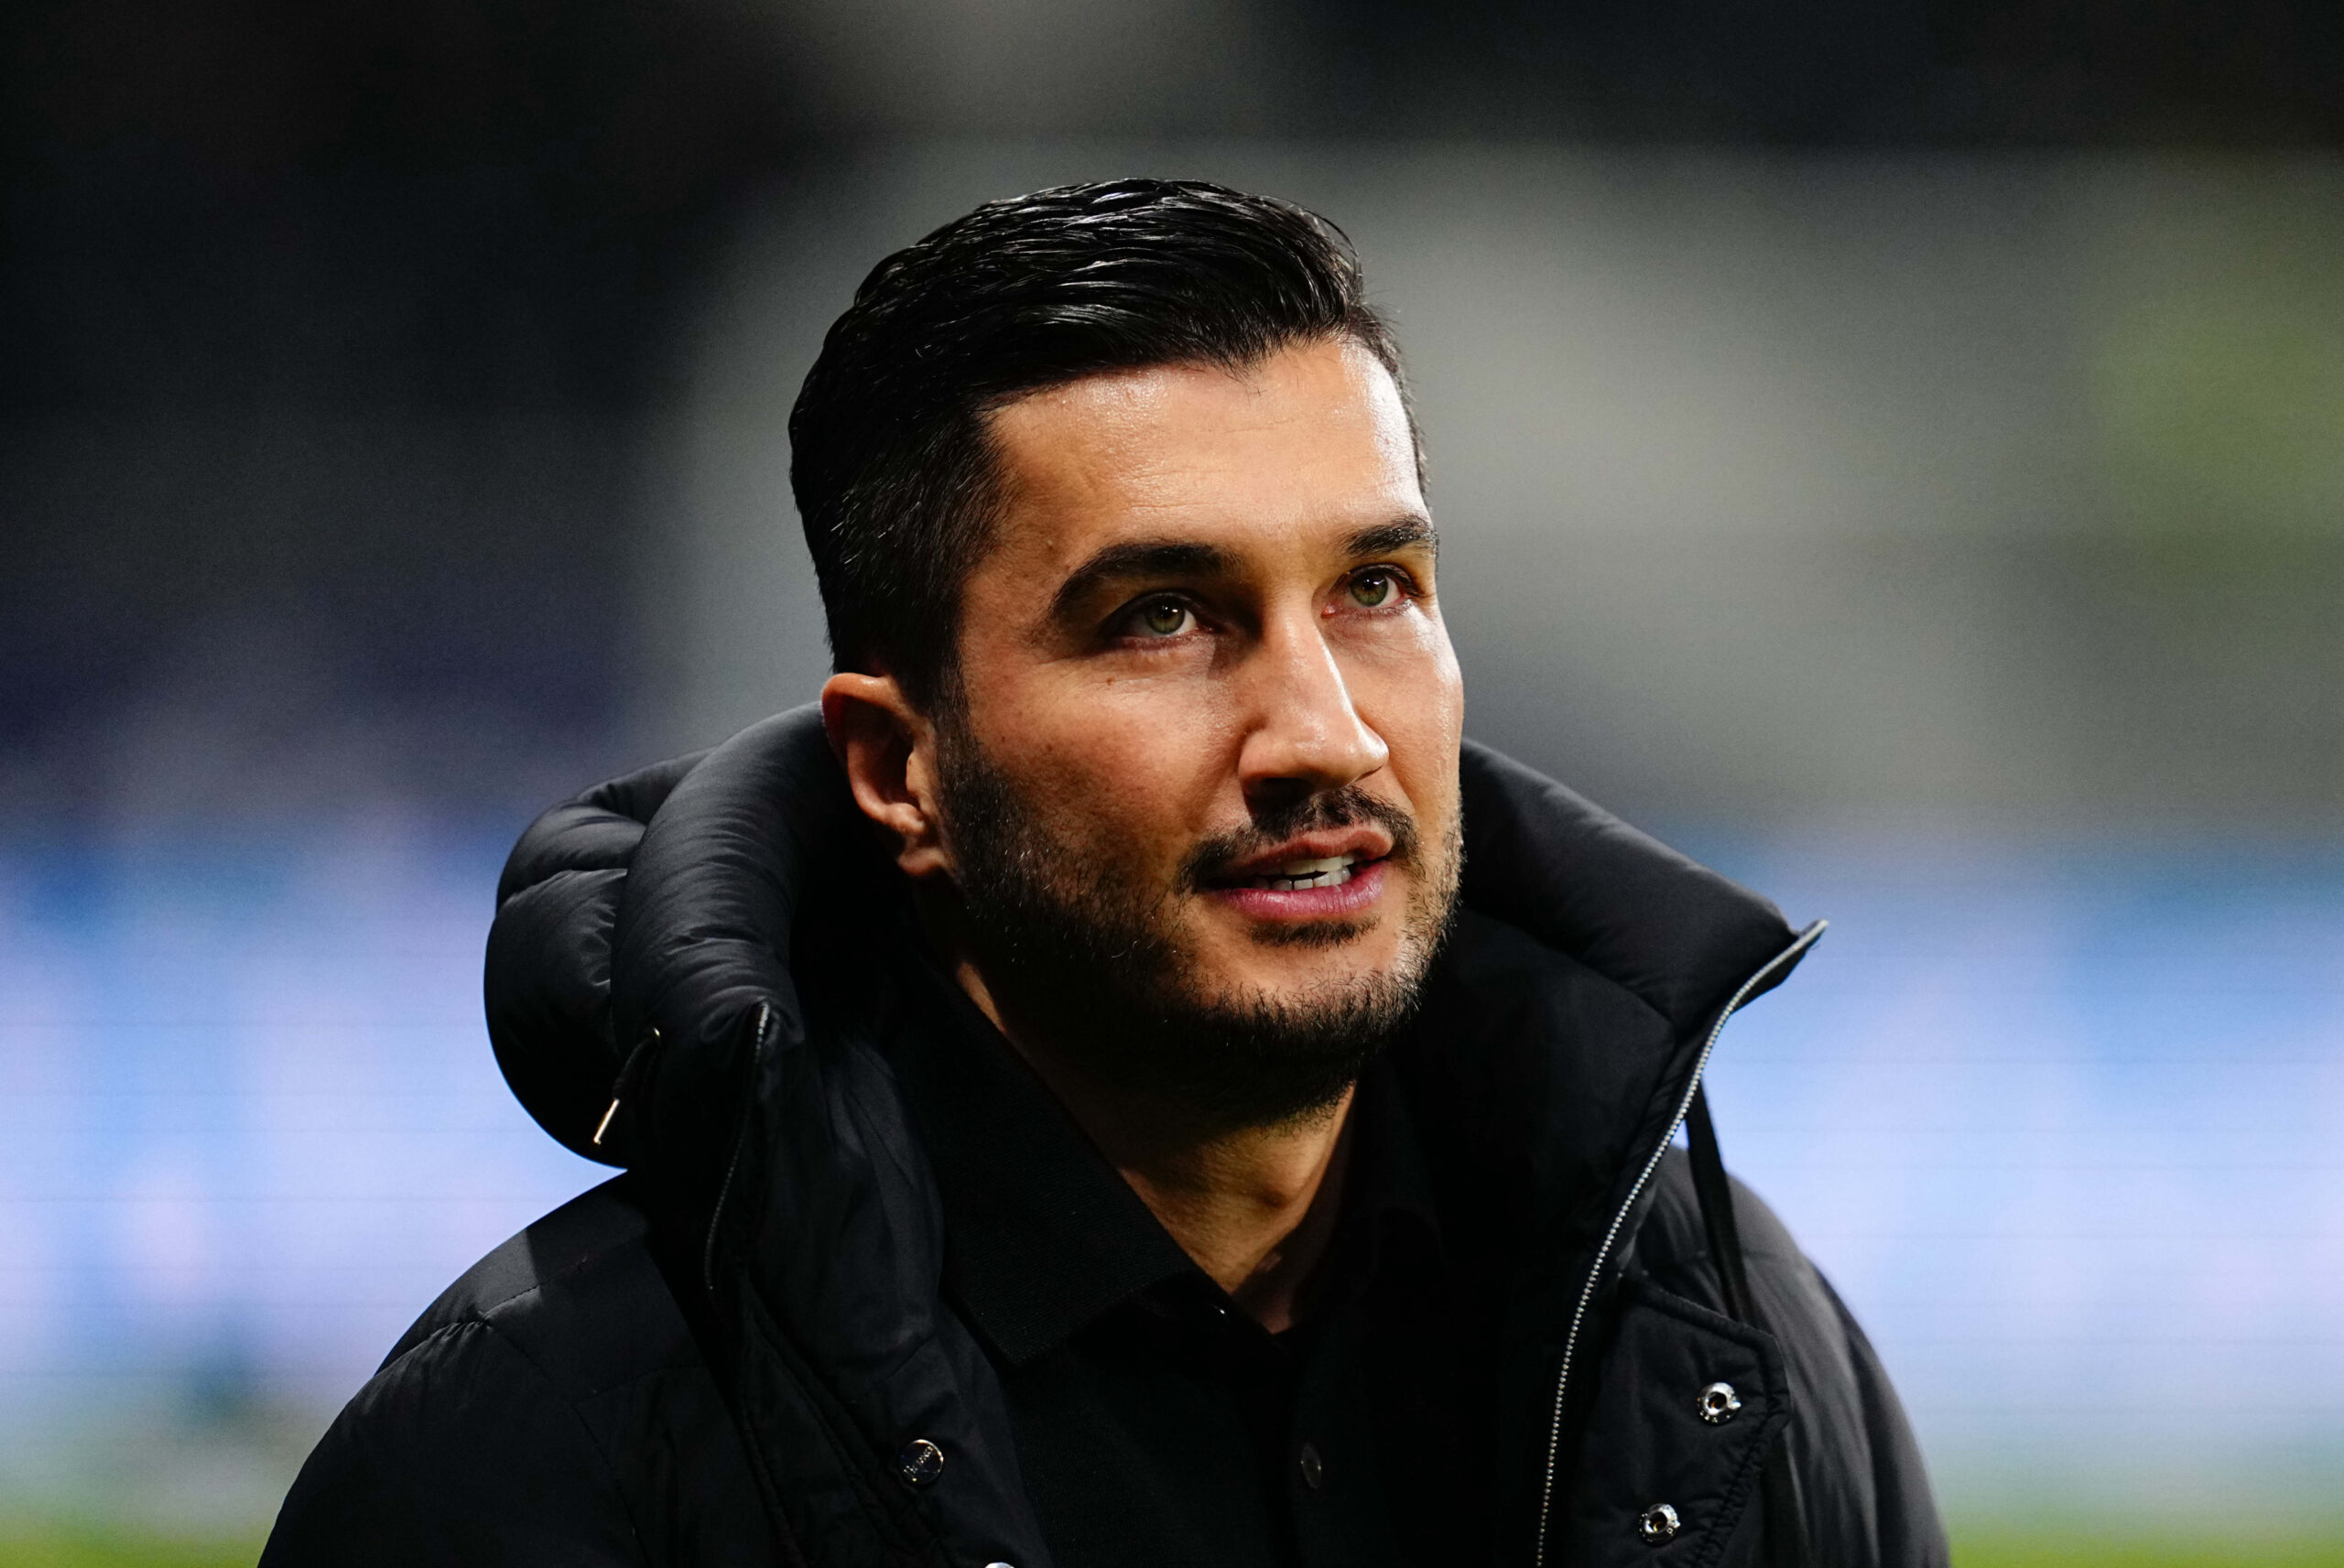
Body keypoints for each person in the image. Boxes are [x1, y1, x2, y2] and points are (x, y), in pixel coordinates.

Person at [261, 178, 1946, 1568]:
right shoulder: (542, 1450)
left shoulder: (1731, 1362)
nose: (1326, 734)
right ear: (898, 771)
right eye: (1164, 617)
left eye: (1375, 588)